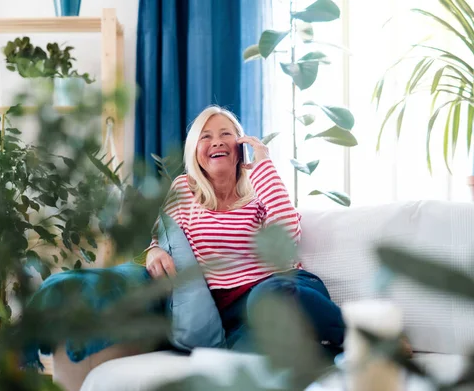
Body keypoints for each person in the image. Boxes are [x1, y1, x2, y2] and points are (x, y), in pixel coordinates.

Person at [143, 105, 346, 355]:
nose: (216, 142)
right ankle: (341, 357)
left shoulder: (261, 187)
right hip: (235, 317)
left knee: (266, 297)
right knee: (243, 363)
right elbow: (162, 236)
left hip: (285, 289)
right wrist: (153, 251)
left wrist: (264, 165)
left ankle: (363, 336)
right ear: (195, 151)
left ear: (240, 147)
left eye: (225, 134)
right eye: (206, 136)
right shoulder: (184, 189)